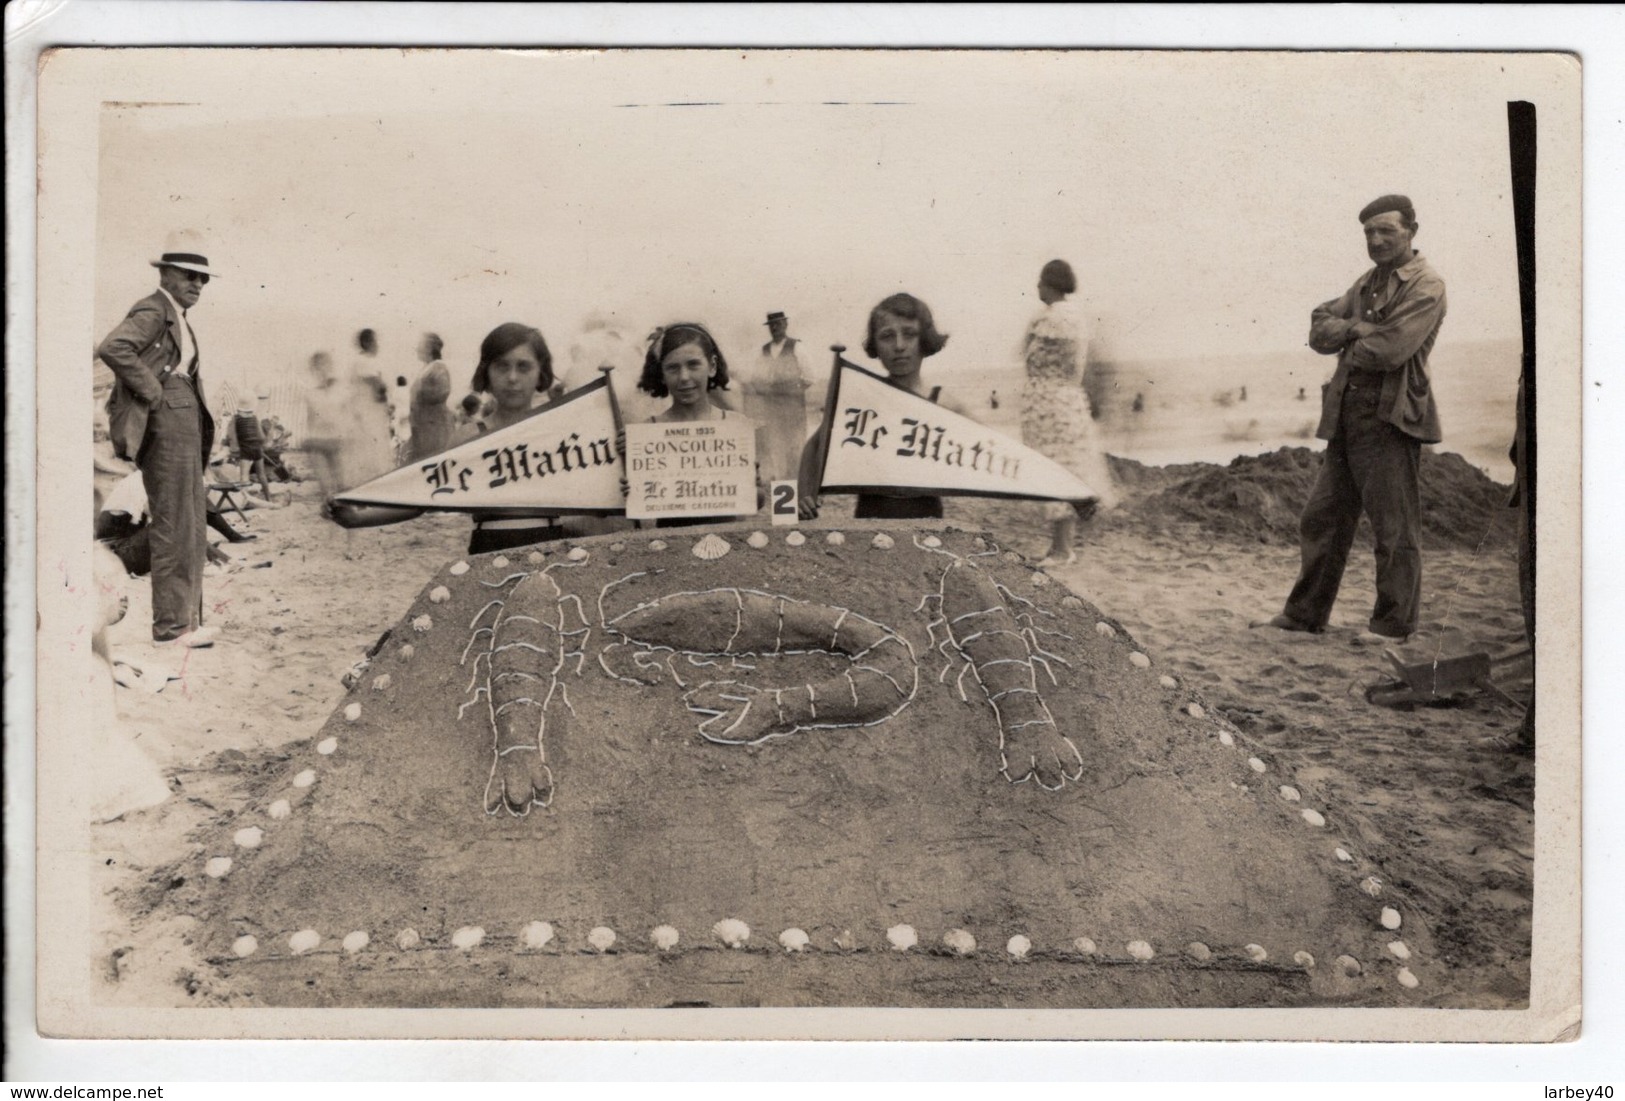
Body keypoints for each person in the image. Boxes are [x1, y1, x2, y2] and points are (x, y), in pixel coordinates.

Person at [1255, 194, 1447, 644]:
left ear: (1411, 231)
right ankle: (1304, 615)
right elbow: (1318, 327)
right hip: (1346, 415)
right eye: (1369, 233)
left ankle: (1393, 626)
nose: (1376, 240)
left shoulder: (1427, 284)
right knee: (1322, 518)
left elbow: (1389, 351)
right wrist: (1354, 328)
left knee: (1393, 528)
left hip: (1391, 416)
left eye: (1387, 231)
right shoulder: (1367, 282)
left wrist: (1356, 336)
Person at [328, 322, 578, 555]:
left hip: (550, 549)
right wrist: (358, 519)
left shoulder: (559, 432)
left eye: (524, 366)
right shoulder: (470, 437)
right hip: (489, 551)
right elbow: (422, 495)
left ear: (541, 373)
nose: (512, 377)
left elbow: (598, 490)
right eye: (502, 366)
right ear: (486, 373)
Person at [95, 231, 220, 648]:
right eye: (188, 275)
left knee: (190, 524)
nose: (197, 285)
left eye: (203, 279)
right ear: (165, 273)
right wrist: (153, 391)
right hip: (166, 420)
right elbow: (114, 347)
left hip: (183, 420)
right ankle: (171, 628)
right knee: (172, 525)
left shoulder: (177, 316)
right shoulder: (153, 309)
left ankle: (186, 622)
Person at [798, 292, 970, 521]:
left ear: (925, 340)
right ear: (875, 345)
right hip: (870, 517)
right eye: (887, 336)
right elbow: (814, 447)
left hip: (927, 517)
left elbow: (994, 451)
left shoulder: (944, 403)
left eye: (909, 334)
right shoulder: (863, 401)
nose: (899, 346)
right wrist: (803, 496)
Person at [1019, 259, 1118, 566]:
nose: (1036, 286)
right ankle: (1060, 546)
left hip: (1051, 405)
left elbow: (1028, 353)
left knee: (1056, 470)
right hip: (1063, 400)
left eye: (1040, 281)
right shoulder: (1073, 317)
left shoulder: (1051, 318)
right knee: (1065, 468)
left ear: (1051, 284)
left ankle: (1062, 549)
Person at [628, 322, 764, 528]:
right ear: (662, 374)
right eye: (673, 368)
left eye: (693, 365)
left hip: (727, 541)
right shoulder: (649, 431)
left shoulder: (735, 426)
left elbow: (757, 499)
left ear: (712, 366)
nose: (684, 377)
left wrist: (749, 483)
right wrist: (631, 491)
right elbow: (639, 517)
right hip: (670, 547)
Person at [741, 310, 812, 483]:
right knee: (774, 440)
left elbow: (810, 377)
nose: (775, 328)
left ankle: (798, 478)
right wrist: (761, 389)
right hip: (771, 405)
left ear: (786, 325)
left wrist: (791, 392)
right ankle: (780, 478)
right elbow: (756, 376)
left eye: (778, 324)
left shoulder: (797, 347)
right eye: (772, 325)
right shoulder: (764, 350)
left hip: (793, 405)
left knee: (795, 441)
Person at [407, 332, 455, 463]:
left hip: (435, 426)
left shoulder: (439, 367)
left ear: (429, 348)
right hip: (424, 426)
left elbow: (443, 391)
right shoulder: (426, 368)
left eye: (420, 346)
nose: (417, 349)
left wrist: (421, 395)